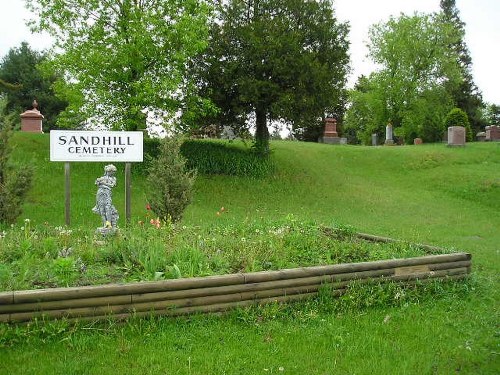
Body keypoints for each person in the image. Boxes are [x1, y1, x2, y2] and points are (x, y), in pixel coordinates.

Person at [92, 164, 119, 229]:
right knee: (102, 209)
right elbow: (96, 183)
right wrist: (100, 182)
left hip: (107, 193)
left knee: (108, 208)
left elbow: (112, 185)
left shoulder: (113, 178)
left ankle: (109, 223)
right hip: (100, 193)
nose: (112, 173)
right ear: (108, 171)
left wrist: (103, 183)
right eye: (111, 171)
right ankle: (105, 224)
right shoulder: (102, 178)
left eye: (113, 172)